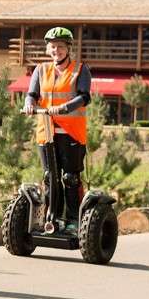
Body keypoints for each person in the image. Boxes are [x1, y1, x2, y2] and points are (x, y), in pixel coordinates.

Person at [22, 27, 92, 233]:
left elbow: (84, 97)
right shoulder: (41, 70)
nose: (56, 50)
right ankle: (53, 218)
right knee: (49, 177)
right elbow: (32, 94)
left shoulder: (80, 69)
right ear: (47, 49)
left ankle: (74, 220)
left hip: (71, 132)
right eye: (52, 47)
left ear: (68, 48)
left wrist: (65, 108)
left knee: (70, 177)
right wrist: (28, 104)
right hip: (46, 132)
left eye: (60, 47)